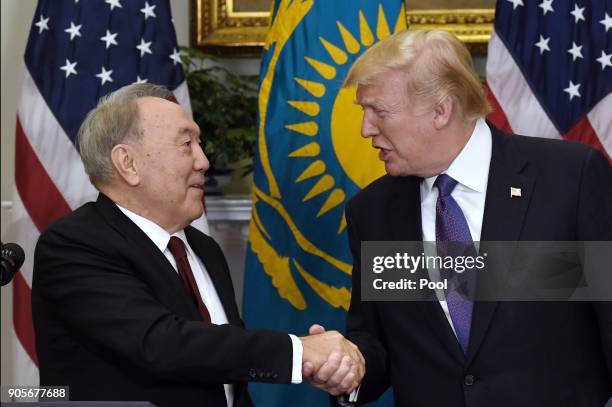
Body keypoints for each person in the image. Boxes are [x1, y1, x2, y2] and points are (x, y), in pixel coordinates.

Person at [318, 29, 611, 406]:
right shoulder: (373, 212)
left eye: (380, 111)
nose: (365, 129)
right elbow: (379, 345)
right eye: (364, 111)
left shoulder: (569, 178)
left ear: (442, 109)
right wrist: (348, 368)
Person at [32, 83, 363, 407]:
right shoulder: (74, 245)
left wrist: (315, 362)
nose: (203, 161)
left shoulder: (202, 248)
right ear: (129, 164)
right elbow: (160, 343)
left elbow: (225, 377)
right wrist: (299, 352)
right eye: (186, 143)